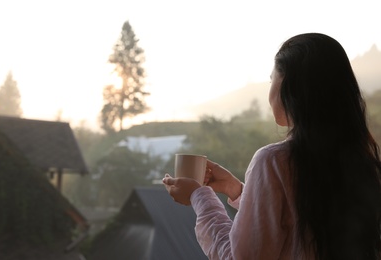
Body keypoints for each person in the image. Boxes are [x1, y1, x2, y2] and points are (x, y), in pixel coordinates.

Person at [163, 32, 381, 260]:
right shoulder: (360, 163)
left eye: (271, 79)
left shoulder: (274, 161)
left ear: (288, 85)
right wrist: (236, 190)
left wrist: (199, 197)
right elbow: (296, 221)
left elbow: (238, 257)